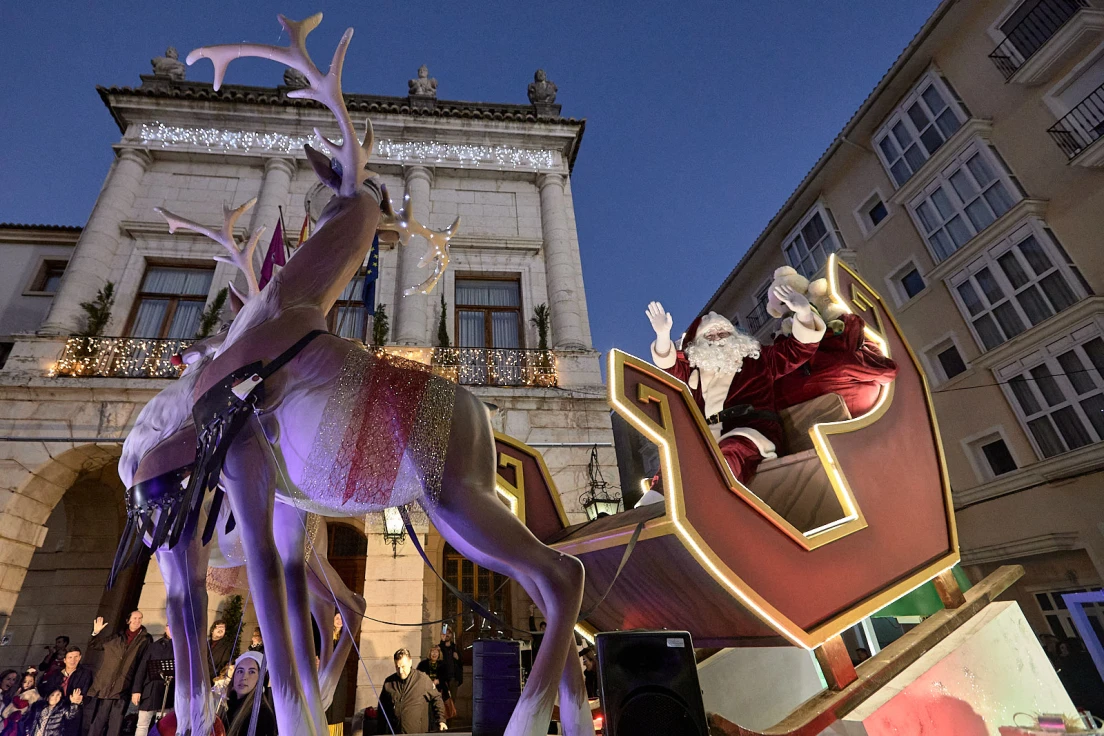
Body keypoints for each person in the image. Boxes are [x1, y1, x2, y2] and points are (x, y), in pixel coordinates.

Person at [646, 284, 825, 486]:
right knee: (674, 464)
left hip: (751, 431)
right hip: (705, 436)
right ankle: (653, 510)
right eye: (710, 336)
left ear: (734, 336)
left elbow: (798, 349)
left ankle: (713, 502)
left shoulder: (757, 359)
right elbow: (668, 365)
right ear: (698, 344)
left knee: (728, 454)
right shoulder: (693, 371)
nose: (718, 340)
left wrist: (804, 314)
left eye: (723, 334)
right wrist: (662, 335)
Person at [84, 611, 151, 736]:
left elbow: (143, 664)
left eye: (140, 618)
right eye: (135, 618)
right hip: (105, 687)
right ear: (128, 620)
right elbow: (96, 645)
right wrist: (96, 632)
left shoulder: (145, 639)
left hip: (123, 687)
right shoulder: (117, 636)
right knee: (98, 722)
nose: (137, 621)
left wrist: (136, 689)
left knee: (116, 725)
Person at [378, 649, 446, 734]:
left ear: (410, 662)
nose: (401, 671)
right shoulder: (389, 683)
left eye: (403, 667)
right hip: (395, 732)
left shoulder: (422, 679)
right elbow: (382, 709)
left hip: (417, 732)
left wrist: (441, 720)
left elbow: (437, 698)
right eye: (397, 667)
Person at [131, 625, 173, 736]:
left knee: (163, 725)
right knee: (142, 723)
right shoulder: (154, 646)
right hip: (150, 689)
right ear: (165, 628)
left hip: (168, 691)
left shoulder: (181, 647)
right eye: (170, 627)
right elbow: (142, 669)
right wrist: (136, 690)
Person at [223, 653, 275, 736]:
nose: (244, 677)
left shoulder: (262, 715)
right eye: (240, 671)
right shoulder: (225, 704)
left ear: (260, 678)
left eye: (252, 672)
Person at [18, 687, 82, 736]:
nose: (54, 697)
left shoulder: (62, 710)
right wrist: (27, 732)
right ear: (48, 697)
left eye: (58, 695)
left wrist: (74, 704)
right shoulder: (38, 707)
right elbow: (29, 720)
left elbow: (71, 715)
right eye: (52, 695)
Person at [416, 646, 455, 722]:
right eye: (432, 652)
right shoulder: (423, 664)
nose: (434, 654)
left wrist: (439, 681)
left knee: (440, 709)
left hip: (440, 691)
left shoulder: (443, 665)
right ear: (429, 653)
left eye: (436, 652)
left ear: (439, 654)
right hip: (426, 691)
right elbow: (418, 675)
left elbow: (447, 677)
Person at [1, 672, 40, 736]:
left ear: (34, 682)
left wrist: (15, 697)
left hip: (19, 720)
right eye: (25, 681)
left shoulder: (32, 694)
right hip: (11, 719)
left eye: (30, 681)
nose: (27, 683)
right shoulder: (20, 691)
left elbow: (22, 704)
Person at [437, 629, 461, 694]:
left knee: (452, 701)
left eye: (449, 633)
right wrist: (442, 641)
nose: (447, 635)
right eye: (445, 633)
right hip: (442, 678)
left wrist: (458, 658)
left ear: (451, 635)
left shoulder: (455, 647)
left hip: (453, 678)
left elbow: (460, 663)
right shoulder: (439, 647)